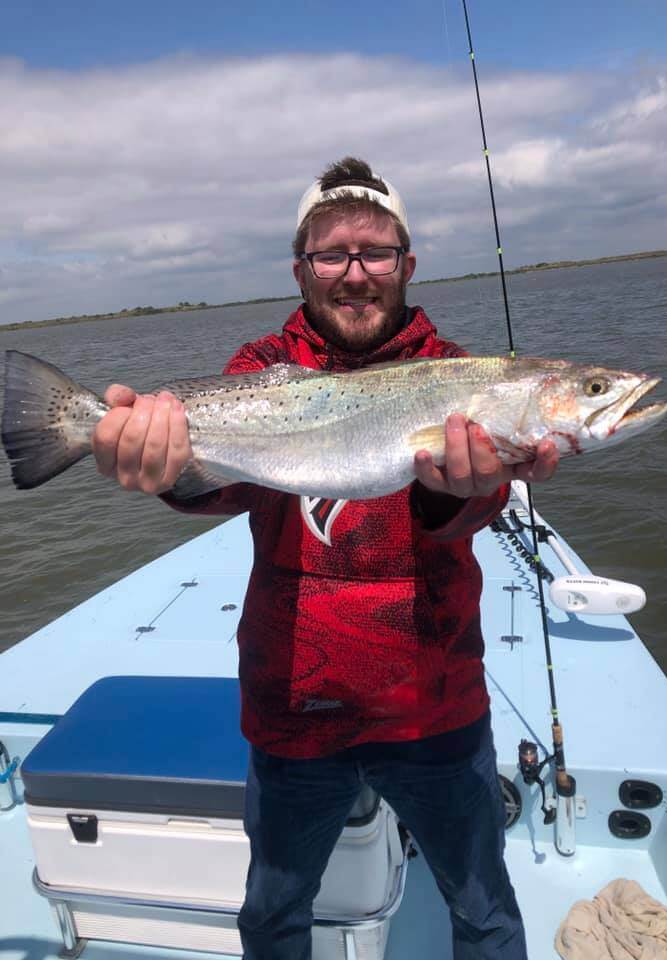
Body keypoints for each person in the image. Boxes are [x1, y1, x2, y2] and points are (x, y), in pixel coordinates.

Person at [92, 157, 558, 960]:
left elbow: (466, 514)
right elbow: (221, 490)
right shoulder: (257, 369)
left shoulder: (461, 372)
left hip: (434, 704)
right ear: (302, 269)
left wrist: (465, 490)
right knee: (274, 917)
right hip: (293, 707)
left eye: (374, 252)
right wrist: (160, 466)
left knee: (485, 913)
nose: (354, 274)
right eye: (331, 254)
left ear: (407, 264)